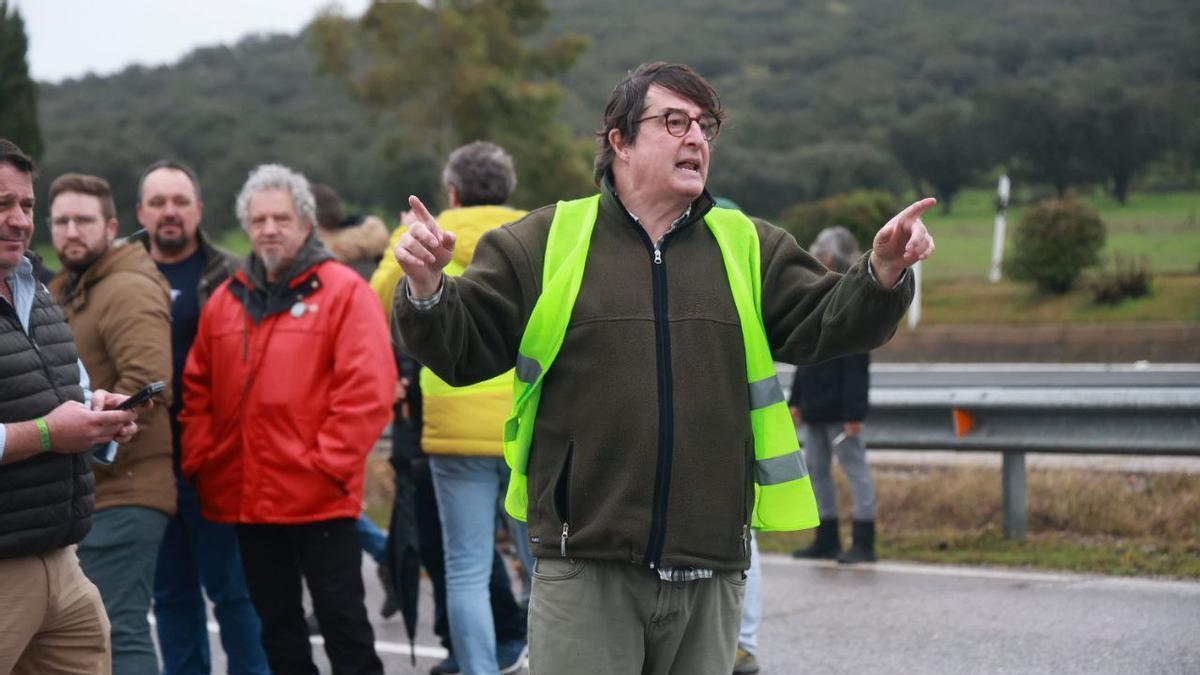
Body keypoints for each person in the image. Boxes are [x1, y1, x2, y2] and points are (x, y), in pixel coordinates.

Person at [391, 62, 935, 674]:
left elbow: (828, 320)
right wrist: (428, 288)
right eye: (675, 122)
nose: (696, 138)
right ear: (619, 141)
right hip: (585, 564)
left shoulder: (748, 245)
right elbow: (463, 348)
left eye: (705, 126)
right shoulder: (544, 241)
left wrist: (882, 272)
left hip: (711, 567)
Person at [181, 164, 395, 675]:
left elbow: (368, 391)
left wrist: (327, 466)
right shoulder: (226, 300)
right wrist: (205, 461)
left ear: (306, 223)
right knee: (277, 632)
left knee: (344, 626)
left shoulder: (344, 292)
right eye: (258, 221)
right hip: (248, 499)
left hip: (320, 499)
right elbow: (197, 391)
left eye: (281, 218)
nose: (269, 229)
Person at [371, 141, 530, 674]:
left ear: (452, 192)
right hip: (526, 421)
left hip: (453, 423)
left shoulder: (427, 233)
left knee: (465, 567)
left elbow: (380, 302)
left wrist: (400, 239)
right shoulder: (534, 232)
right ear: (508, 189)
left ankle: (478, 668)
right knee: (543, 563)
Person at [0, 138, 140, 675]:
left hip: (62, 563)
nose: (19, 220)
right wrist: (47, 433)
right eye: (2, 204)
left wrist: (97, 412)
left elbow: (66, 394)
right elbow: (48, 424)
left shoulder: (37, 290)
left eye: (26, 205)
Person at [133, 160, 271, 675]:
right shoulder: (119, 275)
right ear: (140, 212)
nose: (170, 212)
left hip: (217, 461)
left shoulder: (236, 276)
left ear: (199, 209)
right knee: (171, 595)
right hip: (147, 462)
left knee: (235, 592)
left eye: (180, 201)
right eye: (158, 203)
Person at [47, 173, 175, 675]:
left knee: (118, 633)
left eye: (83, 220)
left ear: (111, 227)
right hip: (89, 493)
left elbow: (148, 385)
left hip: (125, 491)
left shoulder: (126, 287)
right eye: (61, 221)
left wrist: (87, 430)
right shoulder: (70, 286)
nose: (71, 231)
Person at [790, 226, 878, 564]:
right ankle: (826, 539)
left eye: (823, 253)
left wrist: (855, 413)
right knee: (817, 470)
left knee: (855, 471)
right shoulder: (815, 293)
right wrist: (796, 399)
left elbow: (857, 363)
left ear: (835, 257)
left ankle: (864, 540)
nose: (817, 257)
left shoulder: (856, 298)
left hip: (841, 410)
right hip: (815, 405)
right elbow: (804, 352)